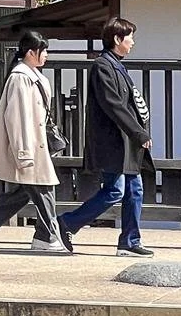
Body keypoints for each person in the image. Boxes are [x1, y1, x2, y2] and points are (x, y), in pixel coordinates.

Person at [58, 16, 155, 255]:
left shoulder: (117, 66)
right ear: (117, 39)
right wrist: (139, 132)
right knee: (116, 190)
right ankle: (67, 223)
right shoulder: (103, 66)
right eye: (130, 37)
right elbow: (114, 105)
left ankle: (130, 241)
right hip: (114, 142)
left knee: (134, 190)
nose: (132, 42)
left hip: (126, 143)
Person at [0, 30, 66, 253]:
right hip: (29, 146)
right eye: (44, 51)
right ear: (31, 53)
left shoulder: (30, 77)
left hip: (35, 144)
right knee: (44, 190)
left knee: (30, 190)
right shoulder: (21, 78)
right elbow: (17, 118)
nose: (47, 55)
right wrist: (24, 153)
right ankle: (47, 236)